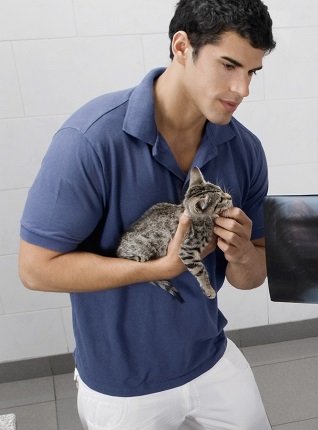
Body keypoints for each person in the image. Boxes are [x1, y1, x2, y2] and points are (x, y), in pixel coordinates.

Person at [18, 0, 276, 428]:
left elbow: (252, 279)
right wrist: (161, 268)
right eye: (229, 66)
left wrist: (245, 253)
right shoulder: (89, 141)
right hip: (121, 384)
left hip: (208, 356)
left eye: (252, 72)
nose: (242, 89)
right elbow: (35, 270)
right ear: (181, 46)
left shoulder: (244, 149)